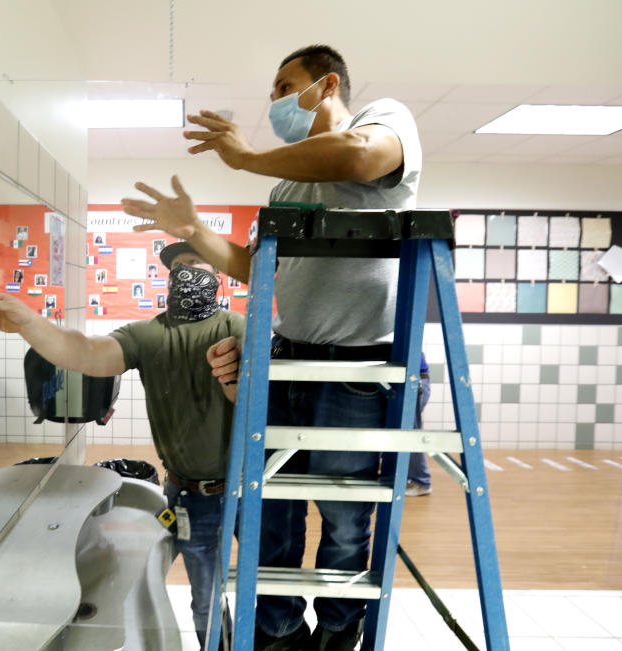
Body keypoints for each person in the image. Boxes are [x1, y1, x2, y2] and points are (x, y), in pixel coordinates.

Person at [121, 44, 421, 651]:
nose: (277, 100)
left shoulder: (383, 122)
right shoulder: (287, 186)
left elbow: (361, 159)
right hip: (288, 355)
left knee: (342, 517)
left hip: (358, 365)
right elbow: (255, 267)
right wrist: (194, 232)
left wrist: (247, 156)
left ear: (328, 84)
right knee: (274, 512)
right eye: (274, 92)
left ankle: (340, 628)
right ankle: (282, 630)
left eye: (287, 86)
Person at [0, 242, 244, 649]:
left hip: (252, 486)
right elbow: (85, 352)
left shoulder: (237, 327)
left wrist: (238, 378)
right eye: (177, 266)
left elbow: (262, 397)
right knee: (205, 598)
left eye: (195, 263)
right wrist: (28, 323)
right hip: (192, 494)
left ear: (217, 273)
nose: (185, 271)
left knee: (269, 590)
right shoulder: (148, 334)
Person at [407, 354, 432, 496]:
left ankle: (422, 482)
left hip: (416, 380)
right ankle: (417, 479)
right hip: (417, 379)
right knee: (408, 430)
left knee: (411, 431)